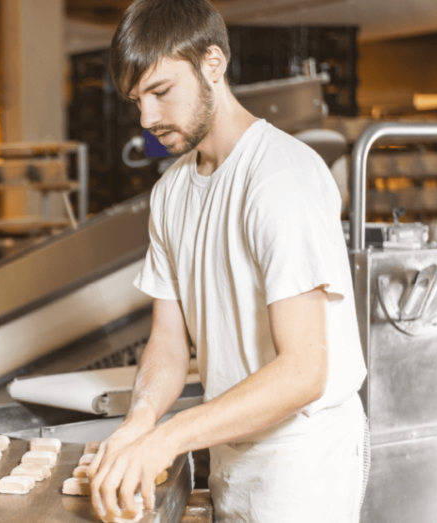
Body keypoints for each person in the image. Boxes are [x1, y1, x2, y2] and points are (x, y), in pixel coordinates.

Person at [86, 1, 369, 522]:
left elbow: (304, 371)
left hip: (301, 463)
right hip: (231, 448)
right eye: (136, 100)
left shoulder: (280, 178)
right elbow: (169, 342)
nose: (146, 119)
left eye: (161, 92)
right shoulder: (171, 192)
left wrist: (169, 437)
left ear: (212, 63)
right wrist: (141, 419)